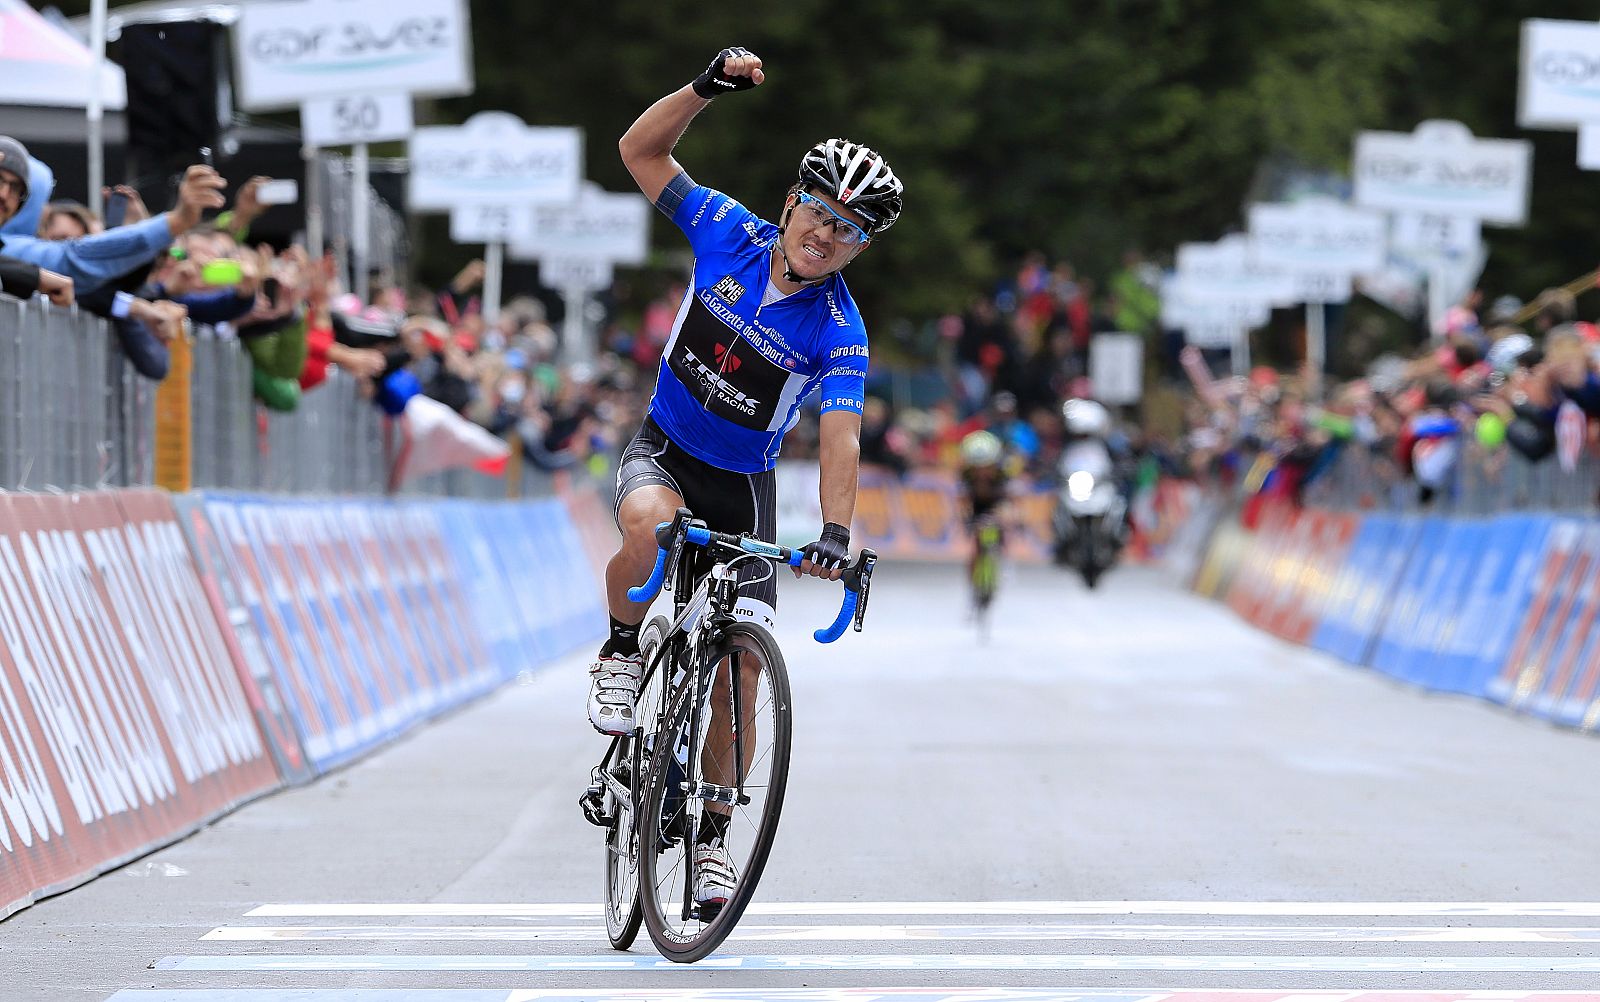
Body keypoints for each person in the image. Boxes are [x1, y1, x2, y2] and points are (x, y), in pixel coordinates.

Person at [595, 46, 903, 910]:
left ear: (862, 247)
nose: (826, 232)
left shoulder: (840, 329)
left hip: (744, 485)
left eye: (849, 228)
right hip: (666, 447)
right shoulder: (726, 228)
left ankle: (713, 843)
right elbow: (639, 153)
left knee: (743, 677)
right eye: (820, 209)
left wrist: (836, 536)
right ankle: (621, 650)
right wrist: (703, 89)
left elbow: (840, 438)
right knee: (649, 524)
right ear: (792, 200)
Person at [957, 429, 1012, 588]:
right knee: (975, 547)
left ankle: (1002, 560)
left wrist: (1008, 517)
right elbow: (963, 502)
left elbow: (1011, 498)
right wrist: (967, 520)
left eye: (986, 466)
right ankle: (973, 583)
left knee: (1006, 519)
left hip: (997, 504)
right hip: (977, 507)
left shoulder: (1002, 473)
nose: (982, 471)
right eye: (977, 467)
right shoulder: (966, 474)